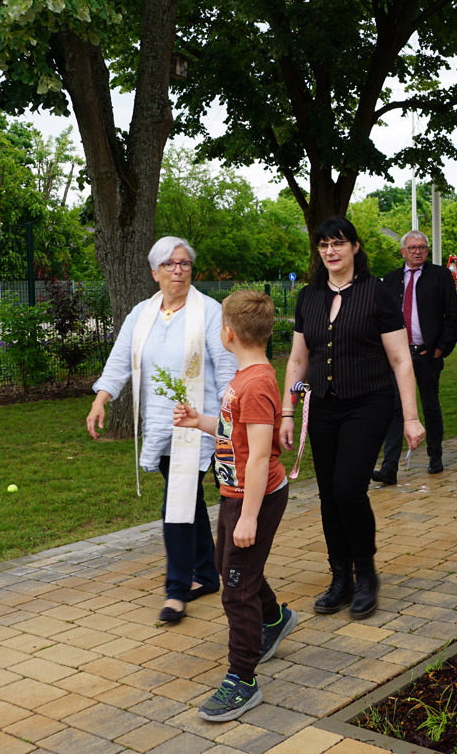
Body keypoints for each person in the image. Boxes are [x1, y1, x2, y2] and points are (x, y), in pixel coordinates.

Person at [87, 236, 237, 624]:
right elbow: (120, 359)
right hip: (160, 424)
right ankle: (206, 574)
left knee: (177, 504)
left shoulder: (210, 312)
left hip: (198, 424)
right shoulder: (142, 313)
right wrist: (101, 399)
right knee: (188, 500)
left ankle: (176, 591)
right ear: (155, 272)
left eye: (184, 263)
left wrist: (229, 420)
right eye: (169, 264)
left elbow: (226, 369)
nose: (178, 271)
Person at [280, 216, 424, 620]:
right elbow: (297, 360)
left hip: (368, 403)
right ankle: (340, 575)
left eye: (339, 243)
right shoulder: (309, 297)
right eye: (324, 245)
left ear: (355, 247)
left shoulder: (377, 293)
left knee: (348, 489)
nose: (331, 251)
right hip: (322, 406)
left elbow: (400, 360)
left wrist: (411, 418)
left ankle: (366, 574)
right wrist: (288, 411)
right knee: (328, 494)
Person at [172, 290, 294, 722]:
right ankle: (274, 619)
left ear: (228, 334)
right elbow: (234, 432)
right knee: (233, 569)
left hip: (253, 499)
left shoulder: (256, 384)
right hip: (235, 494)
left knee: (237, 590)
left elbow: (259, 456)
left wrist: (249, 517)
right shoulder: (244, 378)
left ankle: (242, 679)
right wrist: (198, 421)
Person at [371, 231, 457, 483]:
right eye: (412, 248)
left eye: (422, 247)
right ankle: (389, 467)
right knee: (394, 408)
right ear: (403, 252)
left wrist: (440, 349)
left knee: (430, 405)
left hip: (427, 355)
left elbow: (453, 315)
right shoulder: (390, 280)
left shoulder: (440, 276)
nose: (417, 251)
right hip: (397, 357)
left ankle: (435, 456)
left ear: (427, 251)